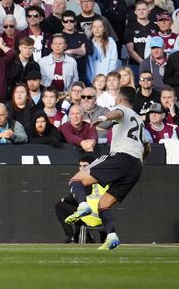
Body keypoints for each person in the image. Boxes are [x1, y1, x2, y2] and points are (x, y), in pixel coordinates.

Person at [65, 87, 150, 250]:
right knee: (104, 204)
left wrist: (102, 117)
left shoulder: (121, 108)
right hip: (136, 167)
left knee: (76, 180)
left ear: (119, 99)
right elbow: (147, 148)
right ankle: (111, 236)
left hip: (121, 157)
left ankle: (83, 205)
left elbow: (117, 114)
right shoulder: (139, 121)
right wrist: (139, 161)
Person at [54, 155, 108, 243]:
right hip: (105, 216)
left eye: (85, 166)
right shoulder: (104, 177)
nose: (81, 168)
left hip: (90, 216)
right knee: (77, 208)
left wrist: (65, 199)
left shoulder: (87, 180)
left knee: (60, 206)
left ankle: (71, 236)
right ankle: (87, 236)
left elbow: (76, 197)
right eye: (80, 166)